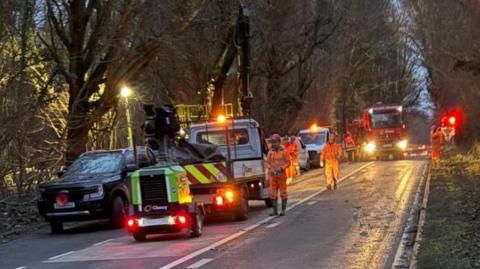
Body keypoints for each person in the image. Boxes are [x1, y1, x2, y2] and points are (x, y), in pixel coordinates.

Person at [266, 134, 291, 216]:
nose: (274, 144)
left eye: (276, 142)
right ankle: (275, 211)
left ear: (279, 142)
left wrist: (281, 168)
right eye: (273, 142)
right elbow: (267, 163)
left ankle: (283, 210)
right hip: (273, 176)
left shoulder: (284, 151)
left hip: (281, 176)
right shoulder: (270, 152)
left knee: (283, 193)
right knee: (273, 194)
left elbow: (288, 162)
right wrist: (271, 169)